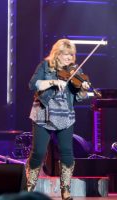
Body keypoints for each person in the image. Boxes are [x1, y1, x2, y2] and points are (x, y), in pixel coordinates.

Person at [27, 38, 90, 200]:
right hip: (43, 113)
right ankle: (29, 187)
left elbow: (79, 98)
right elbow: (33, 84)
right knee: (38, 152)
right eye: (65, 54)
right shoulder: (45, 66)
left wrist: (83, 90)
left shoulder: (75, 71)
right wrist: (53, 81)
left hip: (65, 115)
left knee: (67, 153)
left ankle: (66, 190)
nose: (69, 58)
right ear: (57, 54)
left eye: (72, 55)